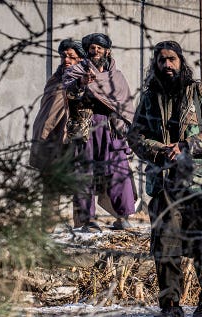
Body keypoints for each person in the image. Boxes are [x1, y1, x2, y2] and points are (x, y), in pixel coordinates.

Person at [128, 40, 202, 317]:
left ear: (181, 61)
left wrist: (188, 145)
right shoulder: (150, 98)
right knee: (165, 245)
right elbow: (135, 137)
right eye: (162, 60)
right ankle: (170, 307)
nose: (167, 65)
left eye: (172, 59)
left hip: (199, 185)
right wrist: (159, 150)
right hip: (165, 185)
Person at [62, 33, 136, 232]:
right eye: (92, 48)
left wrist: (125, 125)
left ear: (107, 51)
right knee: (84, 173)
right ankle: (88, 221)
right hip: (86, 127)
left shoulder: (117, 76)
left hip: (112, 129)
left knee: (119, 171)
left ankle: (123, 217)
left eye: (99, 48)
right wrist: (81, 84)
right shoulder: (78, 71)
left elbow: (126, 103)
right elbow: (68, 91)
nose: (95, 51)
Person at [30, 39, 86, 230]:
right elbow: (47, 111)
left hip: (72, 138)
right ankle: (47, 228)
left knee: (80, 183)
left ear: (81, 59)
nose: (66, 60)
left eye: (72, 56)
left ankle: (82, 225)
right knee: (51, 185)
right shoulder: (55, 79)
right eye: (64, 56)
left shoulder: (83, 80)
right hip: (50, 138)